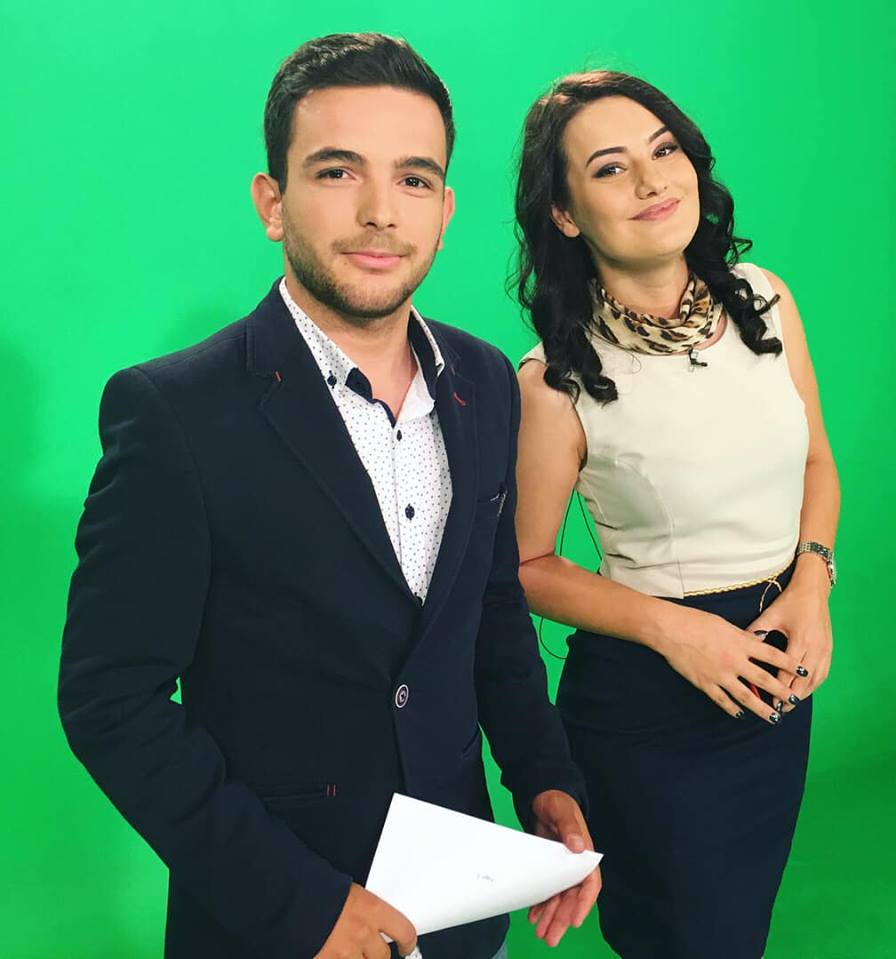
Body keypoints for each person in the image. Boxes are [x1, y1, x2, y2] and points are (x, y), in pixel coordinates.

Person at [58, 34, 600, 959]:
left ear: (445, 209)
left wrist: (544, 777)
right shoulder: (173, 413)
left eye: (414, 179)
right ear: (272, 201)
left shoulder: (486, 380)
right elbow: (111, 700)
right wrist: (300, 906)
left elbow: (491, 609)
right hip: (269, 924)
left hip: (459, 910)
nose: (381, 211)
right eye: (339, 171)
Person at [512, 71, 840, 959]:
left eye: (664, 151)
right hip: (651, 699)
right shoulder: (553, 379)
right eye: (610, 168)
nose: (653, 181)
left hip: (775, 670)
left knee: (739, 930)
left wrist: (812, 585)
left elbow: (816, 461)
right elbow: (526, 565)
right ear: (565, 214)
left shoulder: (765, 299)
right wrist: (679, 632)